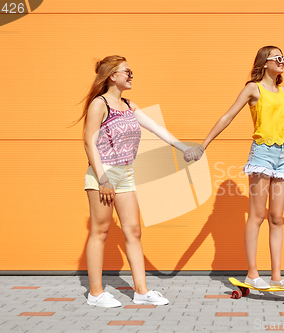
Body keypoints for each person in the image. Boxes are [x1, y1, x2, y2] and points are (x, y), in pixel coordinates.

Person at [187, 46, 284, 289]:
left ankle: (277, 277)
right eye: (278, 58)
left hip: (283, 155)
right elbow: (227, 116)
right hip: (262, 154)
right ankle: (252, 274)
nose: (283, 62)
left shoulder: (281, 91)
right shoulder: (253, 88)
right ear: (264, 62)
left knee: (277, 218)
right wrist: (203, 145)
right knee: (258, 215)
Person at [74, 55, 195, 307]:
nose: (131, 75)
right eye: (126, 71)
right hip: (102, 173)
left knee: (133, 231)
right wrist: (103, 177)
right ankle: (95, 294)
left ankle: (141, 291)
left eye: (131, 71)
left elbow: (156, 128)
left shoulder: (129, 105)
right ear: (112, 76)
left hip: (125, 173)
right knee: (100, 231)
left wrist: (183, 147)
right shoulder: (100, 104)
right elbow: (88, 142)